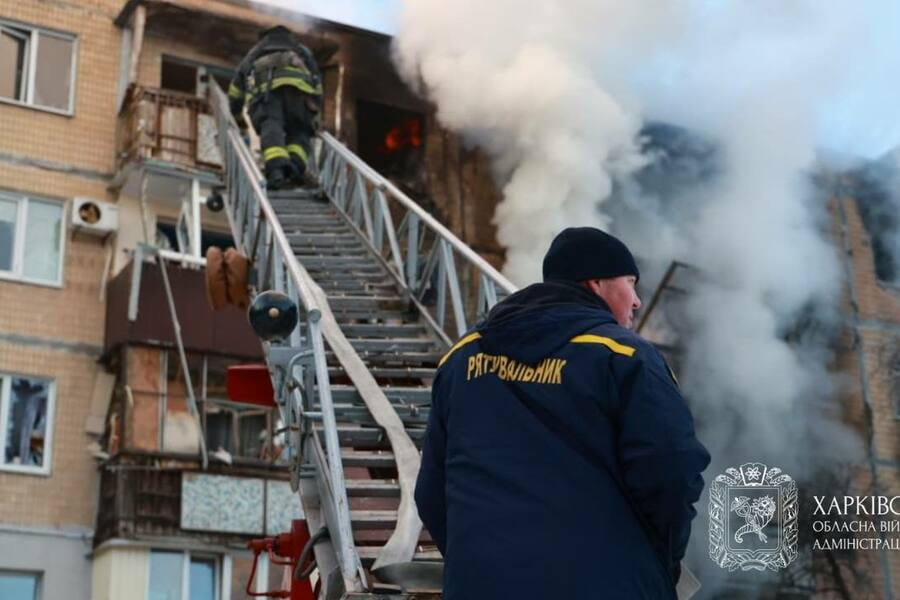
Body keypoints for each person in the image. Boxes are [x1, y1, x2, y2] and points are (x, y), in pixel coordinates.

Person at [415, 227, 711, 599]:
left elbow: (431, 491)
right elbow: (672, 473)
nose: (636, 301)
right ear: (596, 283)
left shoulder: (463, 357)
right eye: (630, 283)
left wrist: (477, 566)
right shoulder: (625, 358)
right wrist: (661, 562)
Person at [228, 25, 322, 190]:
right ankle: (294, 169)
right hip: (301, 94)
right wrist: (314, 108)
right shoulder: (302, 51)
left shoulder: (256, 51)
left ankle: (277, 172)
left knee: (272, 127)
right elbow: (317, 81)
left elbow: (237, 88)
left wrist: (236, 115)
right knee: (300, 132)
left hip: (268, 94)